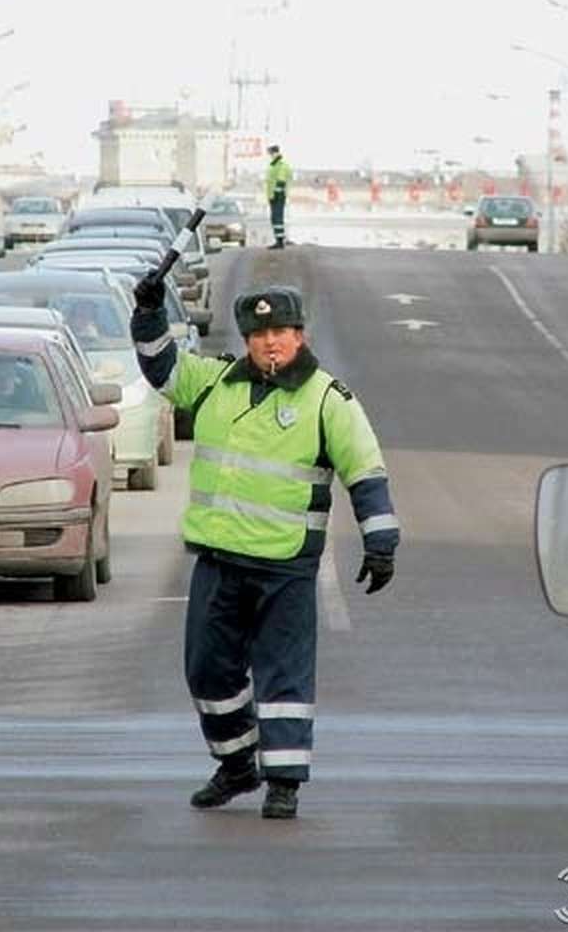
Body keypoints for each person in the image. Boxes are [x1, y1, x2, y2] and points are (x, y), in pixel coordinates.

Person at [129, 274, 400, 820]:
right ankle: (236, 765)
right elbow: (162, 367)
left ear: (299, 335)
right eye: (259, 333)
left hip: (285, 566)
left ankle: (284, 783)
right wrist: (150, 311)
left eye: (280, 331)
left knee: (284, 679)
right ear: (247, 339)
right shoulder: (214, 381)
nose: (270, 341)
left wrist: (380, 542)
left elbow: (365, 470)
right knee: (207, 673)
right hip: (218, 560)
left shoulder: (328, 399)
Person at [265, 144, 293, 250]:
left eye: (270, 153)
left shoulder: (281, 165)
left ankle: (280, 242)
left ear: (274, 153)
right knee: (275, 218)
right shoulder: (274, 165)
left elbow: (281, 181)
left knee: (277, 218)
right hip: (274, 195)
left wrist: (276, 194)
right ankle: (278, 239)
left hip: (278, 195)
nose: (270, 155)